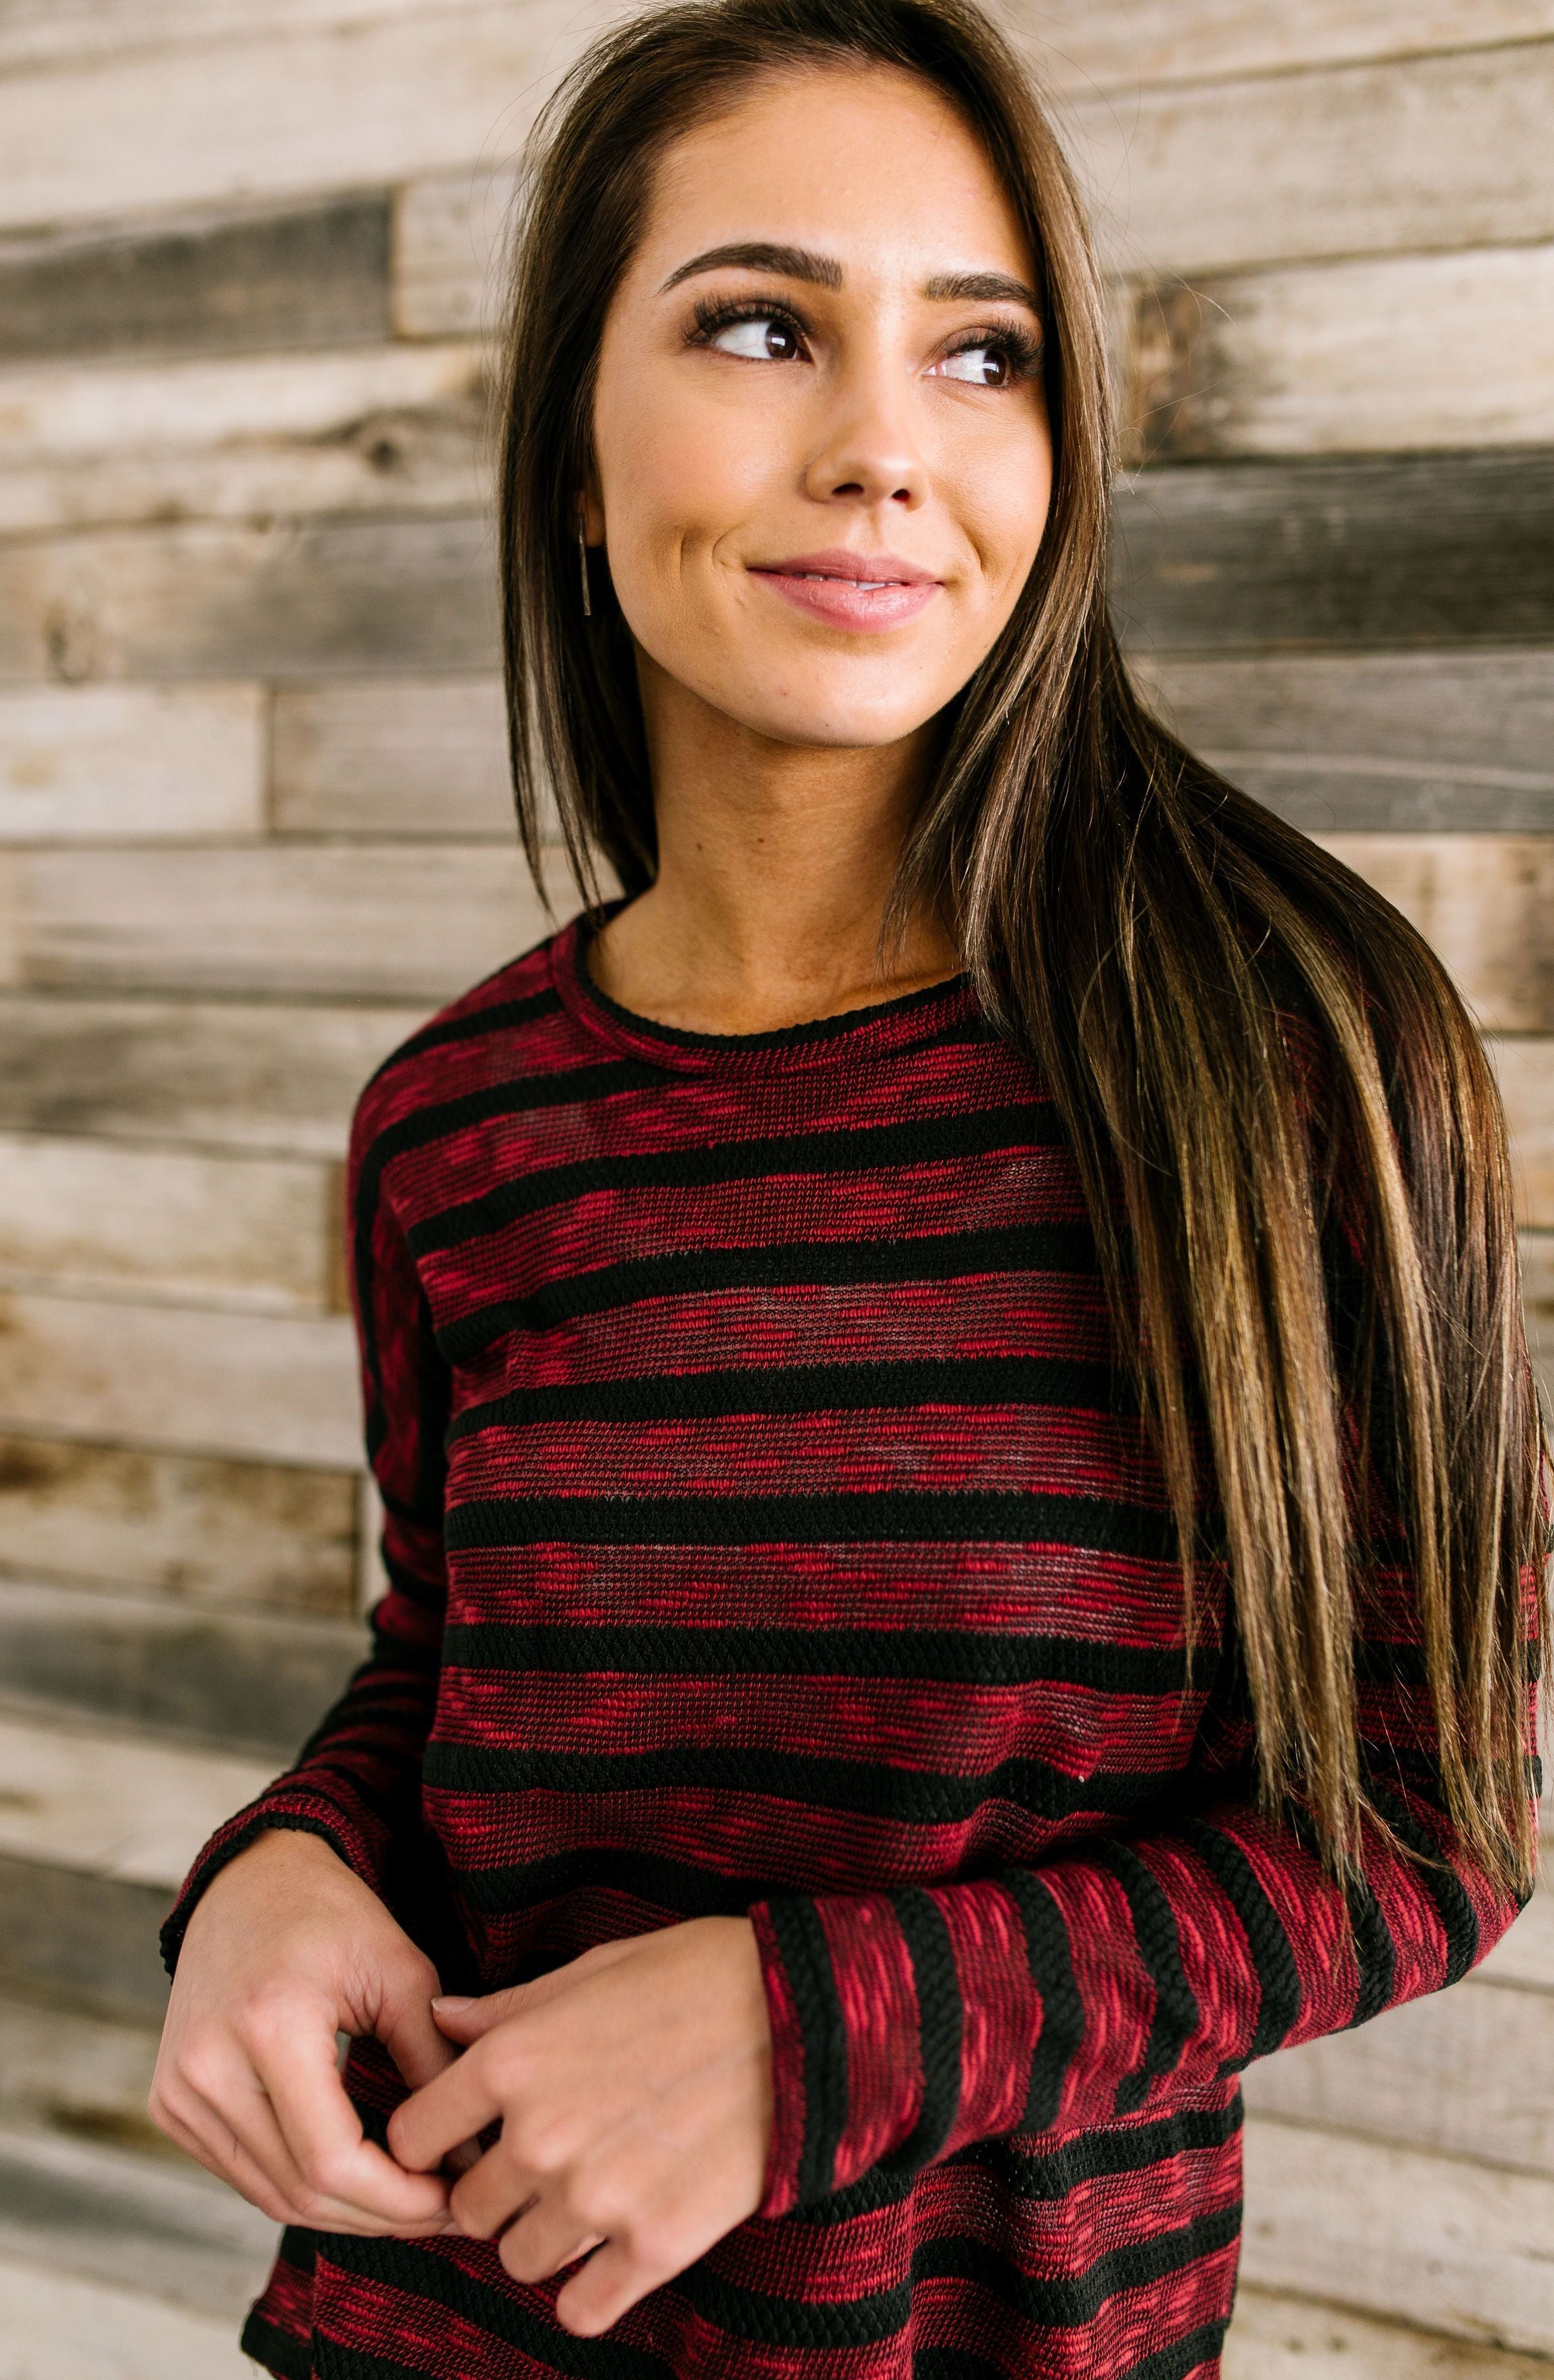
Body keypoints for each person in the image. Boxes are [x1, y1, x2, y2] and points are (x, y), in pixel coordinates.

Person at [149, 1, 1550, 2373]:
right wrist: (280, 1868)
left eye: (980, 355)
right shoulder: (454, 1123)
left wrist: (821, 2035)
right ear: (578, 460)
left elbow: (1426, 1825)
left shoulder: (1286, 1054)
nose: (887, 449)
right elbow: (447, 1669)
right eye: (764, 326)